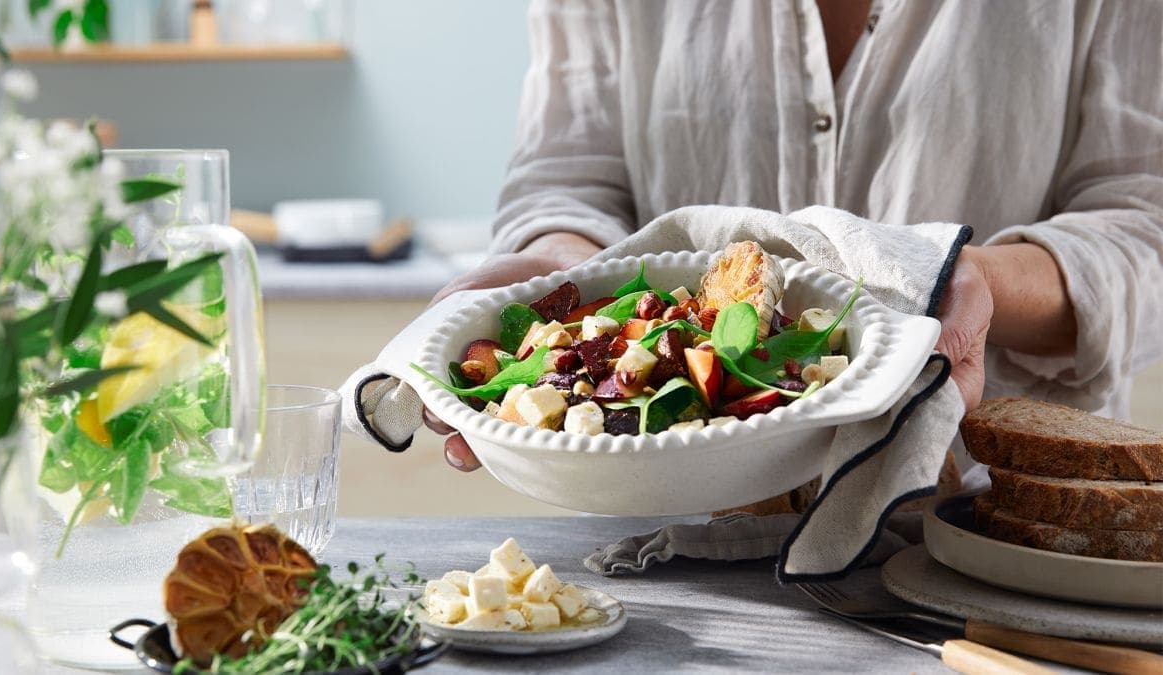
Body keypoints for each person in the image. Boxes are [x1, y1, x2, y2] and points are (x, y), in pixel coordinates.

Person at [424, 0, 1163, 472]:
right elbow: (568, 178)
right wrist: (564, 285)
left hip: (983, 516)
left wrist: (967, 278)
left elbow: (1143, 225)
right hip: (664, 521)